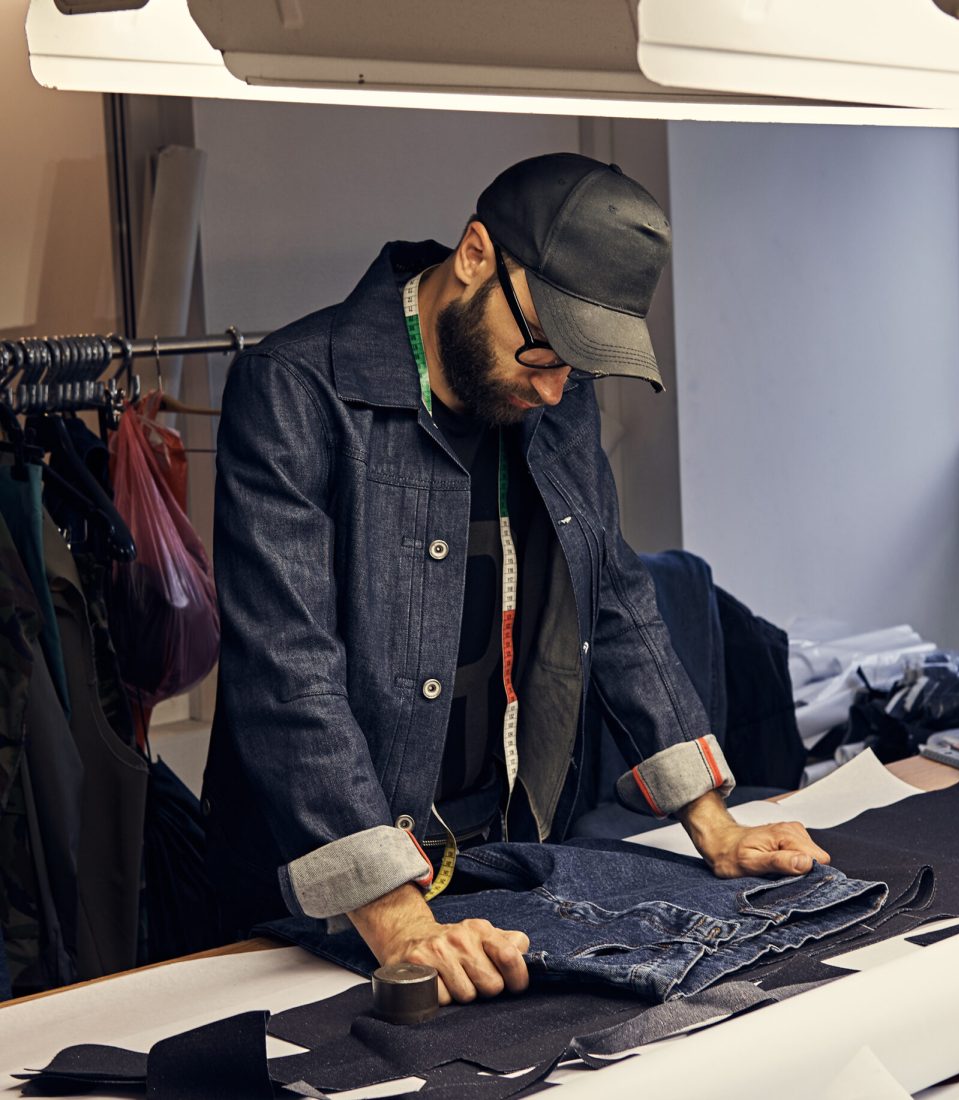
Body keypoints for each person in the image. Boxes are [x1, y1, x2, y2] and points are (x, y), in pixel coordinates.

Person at [202, 152, 828, 1005]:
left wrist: (712, 824)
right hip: (322, 905)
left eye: (579, 364)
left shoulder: (553, 394)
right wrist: (397, 916)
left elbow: (613, 598)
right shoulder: (296, 393)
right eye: (542, 348)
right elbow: (286, 676)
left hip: (495, 867)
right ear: (474, 257)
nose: (555, 384)